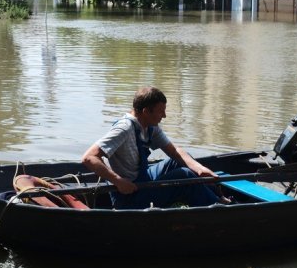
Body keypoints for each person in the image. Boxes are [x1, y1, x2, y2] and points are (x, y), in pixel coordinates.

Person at [81, 86, 226, 209]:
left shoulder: (150, 126)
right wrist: (118, 181)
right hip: (130, 196)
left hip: (143, 178)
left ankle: (218, 196)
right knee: (184, 175)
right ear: (146, 111)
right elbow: (89, 158)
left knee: (178, 161)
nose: (164, 115)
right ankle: (217, 207)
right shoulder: (124, 129)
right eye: (160, 111)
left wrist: (200, 169)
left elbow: (174, 151)